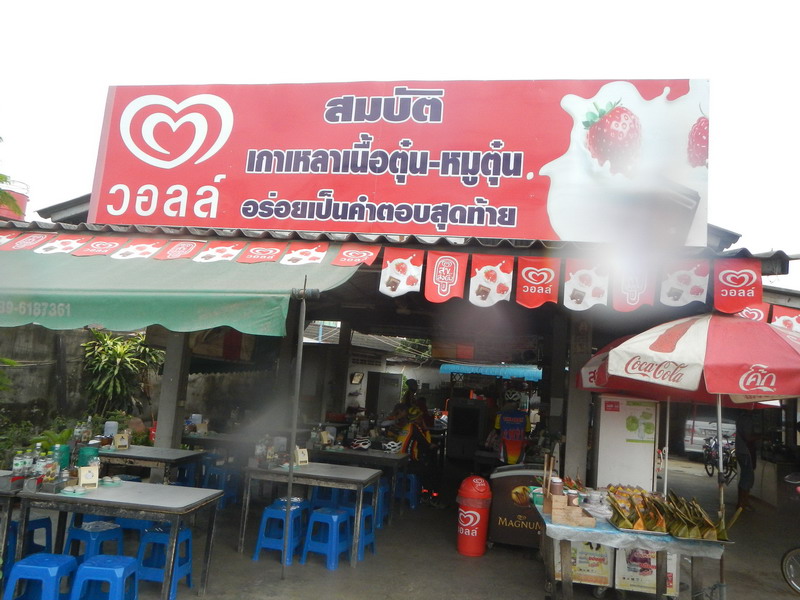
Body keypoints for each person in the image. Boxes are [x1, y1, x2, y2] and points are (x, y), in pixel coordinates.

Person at [397, 405, 444, 508]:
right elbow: (427, 444)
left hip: (400, 462)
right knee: (433, 471)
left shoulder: (406, 427)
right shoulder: (415, 428)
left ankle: (425, 495)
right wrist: (426, 429)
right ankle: (431, 498)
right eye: (420, 417)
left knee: (427, 467)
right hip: (407, 464)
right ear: (418, 418)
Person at [494, 389, 531, 465]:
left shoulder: (500, 415)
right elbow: (528, 432)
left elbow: (497, 431)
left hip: (503, 457)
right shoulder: (525, 416)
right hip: (520, 457)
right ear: (518, 403)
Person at [735, 409, 757, 511]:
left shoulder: (740, 418)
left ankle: (742, 502)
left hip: (740, 450)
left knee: (744, 477)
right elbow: (748, 437)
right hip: (745, 451)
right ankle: (742, 503)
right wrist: (762, 436)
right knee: (747, 478)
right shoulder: (747, 419)